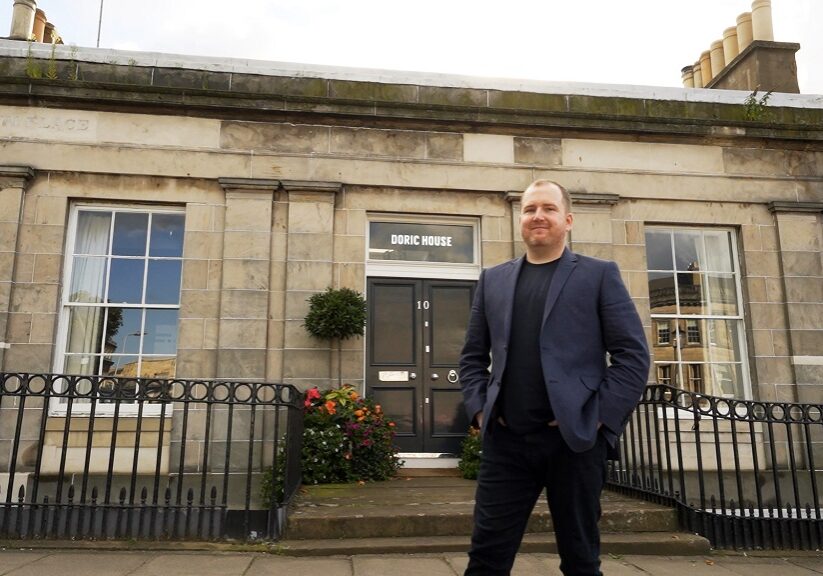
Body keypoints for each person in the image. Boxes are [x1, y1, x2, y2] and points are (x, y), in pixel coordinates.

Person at [459, 179, 650, 576]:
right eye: (529, 210)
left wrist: (598, 419)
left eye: (547, 208)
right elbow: (473, 357)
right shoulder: (493, 279)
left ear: (568, 219)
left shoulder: (598, 275)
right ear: (520, 219)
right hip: (507, 442)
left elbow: (632, 356)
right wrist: (480, 412)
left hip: (574, 443)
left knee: (581, 561)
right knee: (486, 559)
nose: (537, 216)